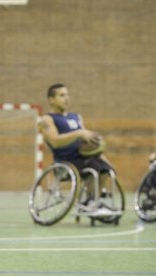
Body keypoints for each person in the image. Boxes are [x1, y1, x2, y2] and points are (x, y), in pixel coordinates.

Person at [38, 83, 114, 214]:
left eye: (67, 95)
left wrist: (100, 153)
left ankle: (93, 201)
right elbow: (55, 142)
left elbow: (86, 141)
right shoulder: (47, 120)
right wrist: (79, 133)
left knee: (106, 169)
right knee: (93, 167)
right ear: (51, 99)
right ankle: (91, 203)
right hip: (64, 162)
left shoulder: (76, 117)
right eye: (62, 95)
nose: (66, 98)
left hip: (83, 157)